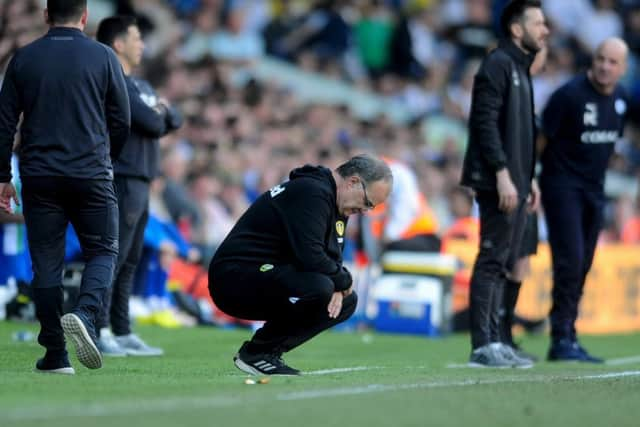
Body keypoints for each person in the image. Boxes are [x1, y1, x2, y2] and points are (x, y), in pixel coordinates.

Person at [0, 0, 130, 373]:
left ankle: (55, 353)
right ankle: (86, 314)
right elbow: (121, 119)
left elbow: (4, 122)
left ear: (46, 16)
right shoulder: (104, 57)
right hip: (90, 171)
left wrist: (2, 178)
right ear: (85, 17)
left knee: (46, 263)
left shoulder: (24, 58)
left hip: (39, 175)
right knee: (104, 249)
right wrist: (109, 158)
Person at [209, 154, 392, 375]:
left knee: (346, 301)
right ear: (353, 182)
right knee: (320, 287)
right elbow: (311, 255)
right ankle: (257, 352)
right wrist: (341, 280)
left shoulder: (336, 202)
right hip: (233, 278)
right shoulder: (311, 192)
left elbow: (331, 259)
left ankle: (264, 353)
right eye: (367, 203)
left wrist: (339, 284)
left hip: (265, 276)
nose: (365, 211)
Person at [460, 0, 548, 368]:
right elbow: (483, 122)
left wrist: (530, 178)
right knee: (493, 259)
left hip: (516, 181)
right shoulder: (498, 64)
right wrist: (501, 173)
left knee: (505, 260)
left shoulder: (519, 67)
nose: (545, 30)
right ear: (516, 28)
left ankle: (499, 340)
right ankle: (484, 345)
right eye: (538, 23)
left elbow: (523, 134)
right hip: (498, 181)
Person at [95, 15, 183, 357]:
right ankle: (98, 328)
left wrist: (160, 113)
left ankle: (122, 329)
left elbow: (173, 118)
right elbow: (151, 119)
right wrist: (158, 113)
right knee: (112, 257)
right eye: (136, 38)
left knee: (130, 259)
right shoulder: (112, 80)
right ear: (118, 43)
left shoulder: (140, 85)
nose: (142, 44)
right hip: (122, 176)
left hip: (143, 179)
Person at [540, 37, 629, 363]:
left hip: (595, 190)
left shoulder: (621, 98)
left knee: (584, 263)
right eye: (601, 59)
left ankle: (569, 334)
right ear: (593, 59)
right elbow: (540, 137)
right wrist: (531, 179)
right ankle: (560, 338)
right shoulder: (569, 96)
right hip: (562, 186)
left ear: (623, 68)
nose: (605, 66)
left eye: (613, 62)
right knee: (571, 261)